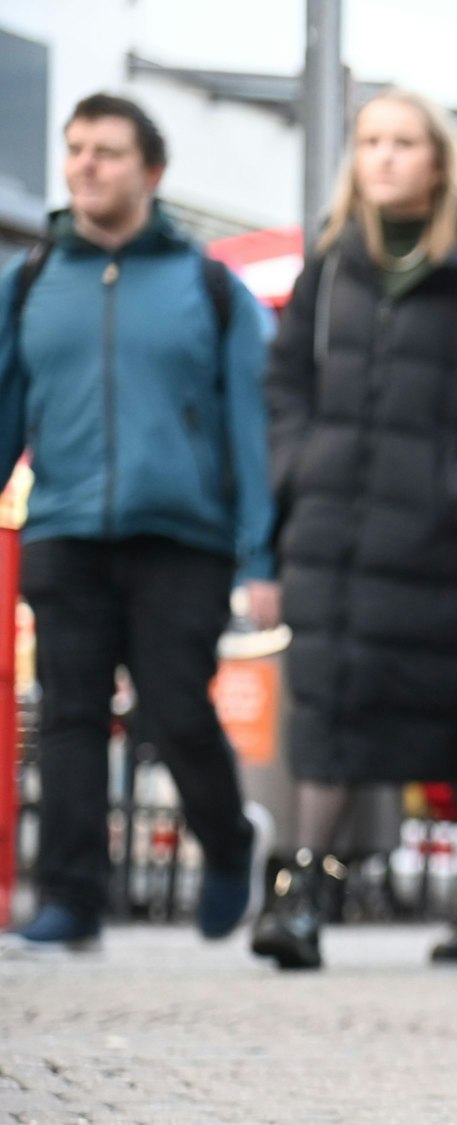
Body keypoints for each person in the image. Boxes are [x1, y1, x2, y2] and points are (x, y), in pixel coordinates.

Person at [249, 89, 457, 970]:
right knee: (328, 700)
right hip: (335, 533)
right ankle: (301, 896)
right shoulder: (335, 259)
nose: (383, 156)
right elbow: (284, 382)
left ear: (438, 158)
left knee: (456, 724)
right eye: (370, 140)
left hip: (444, 548)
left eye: (403, 142)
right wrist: (301, 465)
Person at [0, 94, 275, 951]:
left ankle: (229, 842)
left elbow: (252, 433)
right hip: (65, 529)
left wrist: (260, 555)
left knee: (173, 708)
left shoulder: (208, 287)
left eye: (108, 151)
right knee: (72, 713)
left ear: (150, 172)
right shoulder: (31, 283)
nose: (86, 164)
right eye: (76, 149)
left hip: (182, 537)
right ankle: (71, 901)